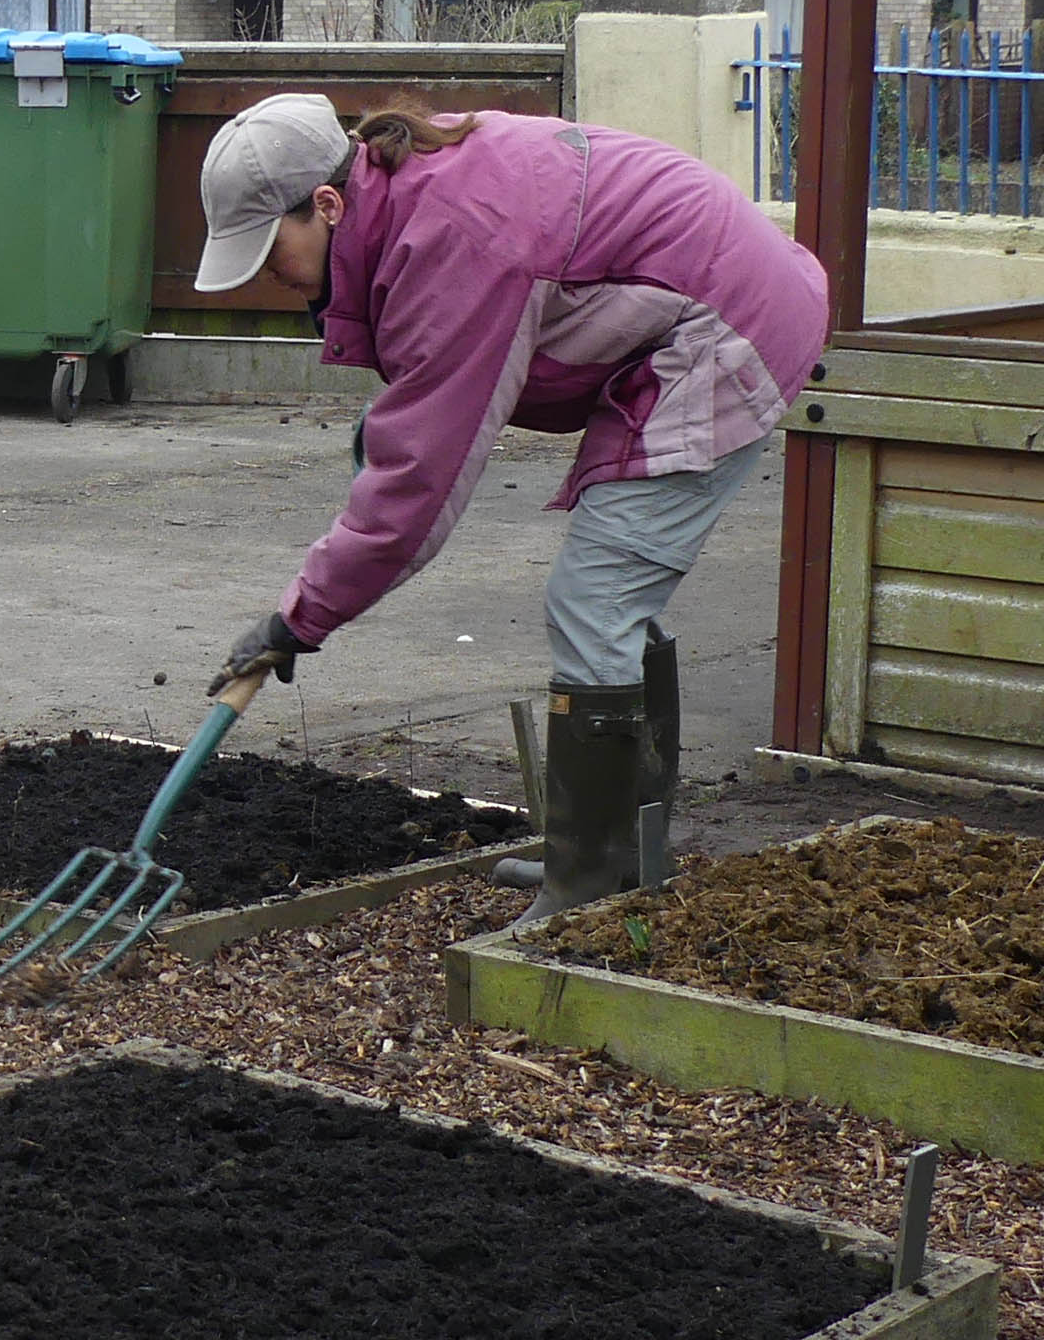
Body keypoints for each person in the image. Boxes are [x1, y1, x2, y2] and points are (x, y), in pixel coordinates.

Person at [195, 93, 830, 917]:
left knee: (596, 597)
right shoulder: (413, 195)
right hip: (689, 318)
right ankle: (623, 856)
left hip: (726, 327)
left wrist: (298, 618)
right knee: (608, 602)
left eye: (268, 248)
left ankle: (590, 883)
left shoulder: (454, 237)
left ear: (326, 203)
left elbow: (417, 491)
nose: (267, 275)